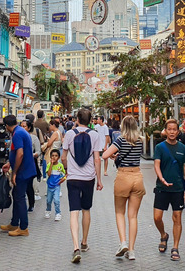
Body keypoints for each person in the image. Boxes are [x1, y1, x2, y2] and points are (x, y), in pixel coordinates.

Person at [62, 108, 103, 264]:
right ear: (91, 120)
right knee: (86, 209)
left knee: (74, 212)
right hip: (88, 179)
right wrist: (99, 179)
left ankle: (75, 247)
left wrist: (67, 170)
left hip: (73, 178)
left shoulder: (69, 134)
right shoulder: (95, 135)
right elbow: (97, 159)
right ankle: (84, 242)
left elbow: (63, 157)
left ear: (77, 119)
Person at [100, 116, 144, 260]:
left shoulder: (120, 140)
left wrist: (114, 155)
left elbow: (105, 155)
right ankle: (131, 251)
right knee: (133, 216)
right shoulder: (140, 140)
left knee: (120, 212)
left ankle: (123, 242)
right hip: (137, 176)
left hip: (123, 176)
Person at [153, 119, 185, 261]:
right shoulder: (160, 147)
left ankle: (175, 247)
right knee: (157, 217)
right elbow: (157, 164)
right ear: (166, 131)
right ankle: (163, 235)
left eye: (174, 129)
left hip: (178, 188)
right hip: (162, 188)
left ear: (178, 131)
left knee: (177, 217)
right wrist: (161, 178)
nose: (172, 132)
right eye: (169, 129)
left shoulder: (182, 148)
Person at [0, 115, 36, 236]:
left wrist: (14, 172)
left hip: (23, 171)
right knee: (16, 195)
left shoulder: (18, 134)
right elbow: (17, 153)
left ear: (7, 126)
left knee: (19, 197)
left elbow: (20, 153)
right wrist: (10, 163)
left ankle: (23, 227)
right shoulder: (20, 131)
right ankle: (14, 223)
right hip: (24, 169)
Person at [20, 120, 42, 211]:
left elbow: (38, 151)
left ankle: (31, 204)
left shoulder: (33, 138)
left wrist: (31, 155)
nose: (22, 128)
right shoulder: (16, 137)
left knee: (29, 185)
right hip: (19, 164)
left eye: (24, 126)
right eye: (21, 126)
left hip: (29, 164)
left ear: (29, 128)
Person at [45, 149, 66, 220]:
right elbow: (49, 174)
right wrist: (51, 164)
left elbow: (64, 174)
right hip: (50, 186)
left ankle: (58, 213)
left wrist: (63, 179)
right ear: (50, 157)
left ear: (59, 157)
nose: (54, 157)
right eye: (53, 156)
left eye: (56, 156)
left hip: (57, 186)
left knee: (56, 200)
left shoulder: (60, 166)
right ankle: (48, 210)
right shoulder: (48, 165)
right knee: (48, 200)